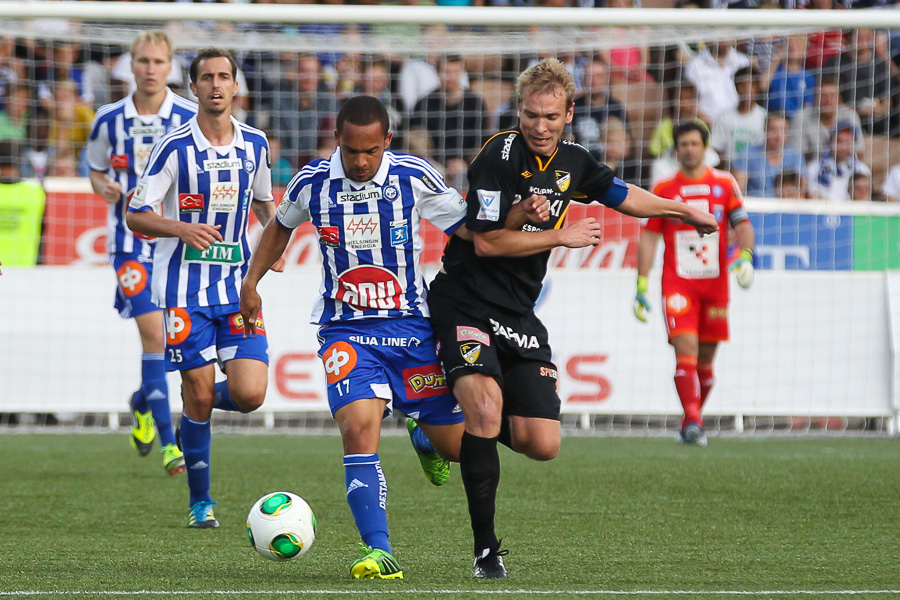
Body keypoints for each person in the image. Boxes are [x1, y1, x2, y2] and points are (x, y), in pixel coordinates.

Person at [426, 58, 718, 579]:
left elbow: (624, 195)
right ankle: (485, 552)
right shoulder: (498, 154)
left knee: (543, 443)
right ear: (519, 110)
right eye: (531, 115)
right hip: (465, 298)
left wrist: (681, 210)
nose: (540, 126)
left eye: (550, 116)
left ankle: (434, 428)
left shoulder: (576, 161)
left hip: (518, 309)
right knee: (487, 412)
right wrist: (561, 234)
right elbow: (489, 243)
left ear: (569, 113)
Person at [241, 95, 489, 579]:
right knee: (358, 428)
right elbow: (278, 228)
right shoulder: (312, 181)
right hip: (346, 329)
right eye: (351, 150)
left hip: (413, 330)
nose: (360, 161)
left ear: (387, 143)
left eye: (370, 151)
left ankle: (424, 436)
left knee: (462, 449)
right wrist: (251, 283)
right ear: (337, 140)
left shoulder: (413, 176)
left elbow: (469, 232)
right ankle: (380, 550)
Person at [126, 47, 283, 528]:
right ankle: (201, 503)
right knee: (197, 398)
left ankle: (185, 407)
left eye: (225, 77)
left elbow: (262, 206)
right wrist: (181, 228)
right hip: (182, 293)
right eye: (207, 78)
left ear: (237, 87)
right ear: (192, 88)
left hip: (238, 290)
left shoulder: (255, 144)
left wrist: (271, 247)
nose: (216, 85)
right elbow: (136, 214)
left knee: (251, 393)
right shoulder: (173, 147)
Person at [86, 31, 197, 476]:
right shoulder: (108, 119)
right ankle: (172, 445)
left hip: (175, 246)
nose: (150, 69)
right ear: (130, 65)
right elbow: (94, 171)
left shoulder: (190, 117)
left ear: (169, 67)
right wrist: (104, 187)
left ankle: (142, 402)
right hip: (129, 244)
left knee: (174, 342)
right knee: (154, 336)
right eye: (143, 61)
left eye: (158, 61)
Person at [633, 121, 755, 447]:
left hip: (715, 287)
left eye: (694, 143)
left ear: (705, 147)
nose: (689, 149)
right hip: (678, 285)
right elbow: (648, 238)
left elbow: (742, 224)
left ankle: (690, 419)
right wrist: (641, 284)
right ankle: (696, 422)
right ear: (677, 149)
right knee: (685, 352)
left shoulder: (724, 184)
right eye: (683, 144)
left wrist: (745, 256)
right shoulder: (663, 189)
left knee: (706, 363)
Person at [732, 111, 805, 197]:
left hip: (785, 207)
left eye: (783, 130)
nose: (778, 136)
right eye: (773, 130)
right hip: (755, 206)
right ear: (765, 130)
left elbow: (802, 193)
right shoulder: (748, 154)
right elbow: (738, 191)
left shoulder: (796, 156)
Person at [806, 122, 871, 202]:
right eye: (839, 141)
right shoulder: (815, 168)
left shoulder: (862, 170)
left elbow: (864, 199)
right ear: (831, 141)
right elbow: (812, 196)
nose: (842, 146)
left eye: (847, 142)